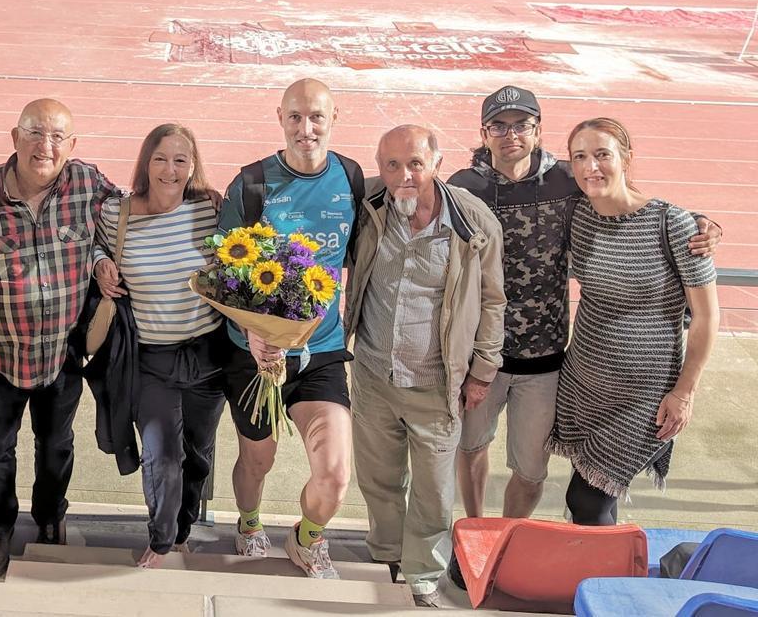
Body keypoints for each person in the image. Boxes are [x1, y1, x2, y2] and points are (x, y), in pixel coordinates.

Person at [448, 87, 721, 522]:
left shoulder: (566, 181)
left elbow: (641, 210)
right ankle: (476, 527)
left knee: (540, 474)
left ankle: (509, 538)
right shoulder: (464, 188)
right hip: (485, 356)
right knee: (471, 447)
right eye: (499, 125)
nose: (510, 134)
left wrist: (704, 224)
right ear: (484, 132)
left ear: (538, 131)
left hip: (551, 363)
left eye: (521, 125)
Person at [0, 98, 120, 577]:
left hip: (62, 354)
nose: (46, 145)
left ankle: (48, 520)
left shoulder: (88, 183)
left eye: (58, 136)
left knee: (56, 445)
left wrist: (102, 256)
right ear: (15, 137)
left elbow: (126, 221)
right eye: (35, 133)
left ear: (73, 144)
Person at [346, 125, 504, 608]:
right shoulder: (370, 205)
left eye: (415, 163)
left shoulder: (474, 223)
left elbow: (494, 302)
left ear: (437, 161)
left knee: (434, 492)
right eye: (392, 165)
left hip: (438, 383)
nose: (404, 175)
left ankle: (423, 573)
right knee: (378, 478)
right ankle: (390, 554)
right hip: (373, 373)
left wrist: (482, 371)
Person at [216, 78, 362, 580]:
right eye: (296, 117)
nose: (306, 128)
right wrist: (253, 332)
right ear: (280, 117)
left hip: (320, 353)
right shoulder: (252, 183)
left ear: (334, 117)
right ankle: (250, 522)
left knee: (336, 472)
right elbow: (222, 274)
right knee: (258, 460)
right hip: (254, 356)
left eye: (316, 116)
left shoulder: (352, 178)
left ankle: (306, 538)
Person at [546, 118, 718, 525]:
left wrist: (684, 392)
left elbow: (707, 317)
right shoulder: (578, 215)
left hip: (643, 397)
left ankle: (600, 586)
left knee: (586, 500)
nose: (592, 167)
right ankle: (599, 571)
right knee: (596, 492)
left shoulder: (672, 225)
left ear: (626, 159)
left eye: (603, 155)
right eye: (580, 157)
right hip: (584, 385)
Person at [93, 124, 226, 569]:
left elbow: (239, 260)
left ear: (193, 167)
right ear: (146, 162)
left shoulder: (210, 209)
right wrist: (100, 265)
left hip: (207, 358)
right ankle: (163, 538)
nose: (170, 170)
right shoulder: (118, 215)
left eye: (180, 160)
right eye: (161, 159)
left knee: (198, 456)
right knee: (162, 454)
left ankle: (184, 530)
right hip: (150, 359)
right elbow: (97, 246)